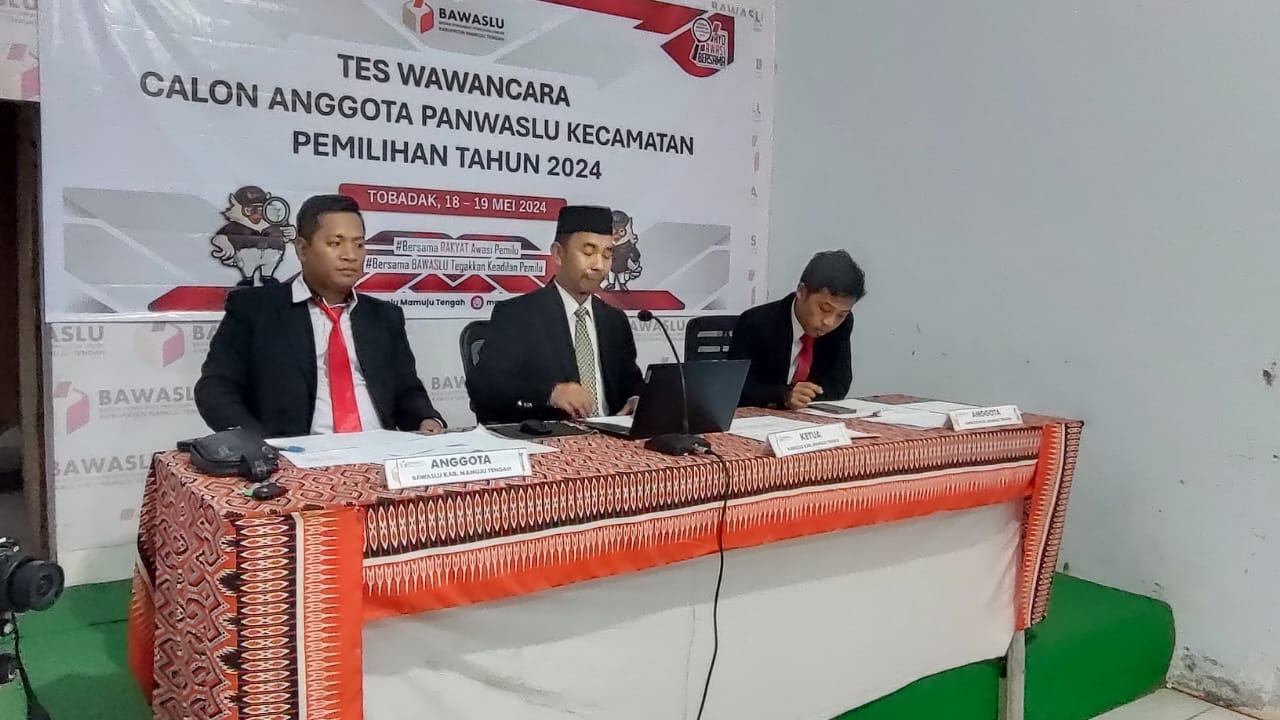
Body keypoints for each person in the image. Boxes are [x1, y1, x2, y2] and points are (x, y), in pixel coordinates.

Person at [195, 194, 446, 437]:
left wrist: (426, 419)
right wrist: (258, 443)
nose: (350, 255)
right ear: (303, 249)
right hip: (295, 455)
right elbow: (215, 389)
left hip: (380, 452)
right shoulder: (255, 309)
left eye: (359, 244)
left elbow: (406, 391)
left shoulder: (384, 316)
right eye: (336, 243)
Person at [468, 205, 644, 424]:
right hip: (552, 437)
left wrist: (637, 399)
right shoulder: (518, 315)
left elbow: (631, 381)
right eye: (588, 252)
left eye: (607, 254)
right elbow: (485, 386)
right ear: (559, 254)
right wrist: (550, 393)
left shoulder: (614, 321)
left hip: (613, 436)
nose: (599, 265)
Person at [729, 250, 866, 410]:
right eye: (824, 309)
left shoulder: (843, 325)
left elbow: (838, 384)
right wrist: (783, 395)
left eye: (841, 315)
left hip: (807, 417)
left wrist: (805, 396)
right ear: (801, 291)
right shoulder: (756, 322)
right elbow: (738, 387)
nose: (829, 322)